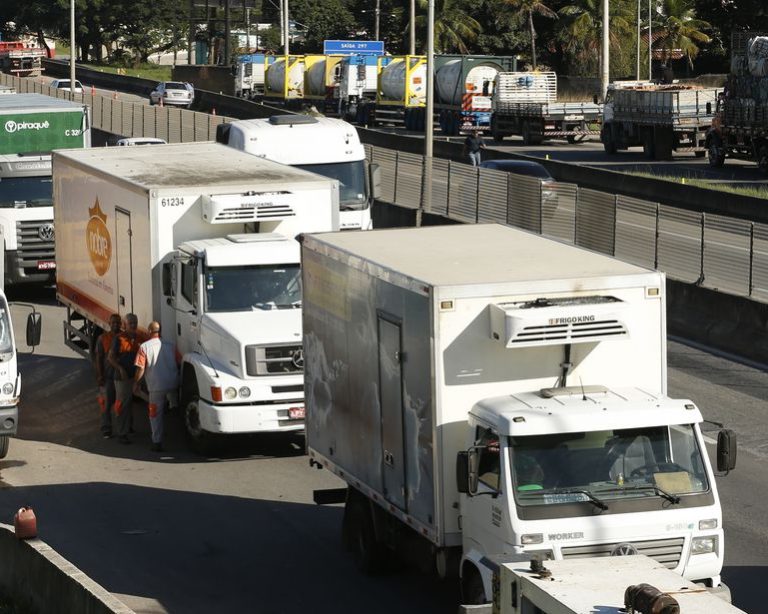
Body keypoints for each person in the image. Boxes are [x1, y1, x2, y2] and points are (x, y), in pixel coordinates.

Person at [133, 321, 179, 452]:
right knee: (173, 405)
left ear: (149, 331)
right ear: (160, 331)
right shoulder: (171, 345)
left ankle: (157, 442)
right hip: (172, 383)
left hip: (156, 387)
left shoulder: (144, 347)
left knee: (155, 414)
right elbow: (178, 362)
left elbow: (140, 369)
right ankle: (173, 406)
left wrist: (136, 383)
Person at [108, 313, 141, 444]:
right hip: (122, 378)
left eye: (135, 323)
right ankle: (122, 433)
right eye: (130, 323)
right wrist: (120, 369)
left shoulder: (139, 339)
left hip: (134, 377)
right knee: (122, 404)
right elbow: (110, 358)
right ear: (125, 325)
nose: (133, 325)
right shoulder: (119, 338)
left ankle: (128, 427)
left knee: (129, 403)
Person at [93, 313, 122, 439]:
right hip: (108, 376)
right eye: (113, 323)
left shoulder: (124, 338)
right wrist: (100, 375)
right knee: (106, 404)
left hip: (121, 378)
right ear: (109, 324)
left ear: (121, 324)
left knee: (123, 404)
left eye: (118, 323)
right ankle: (106, 428)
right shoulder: (102, 338)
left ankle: (126, 428)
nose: (116, 325)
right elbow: (98, 358)